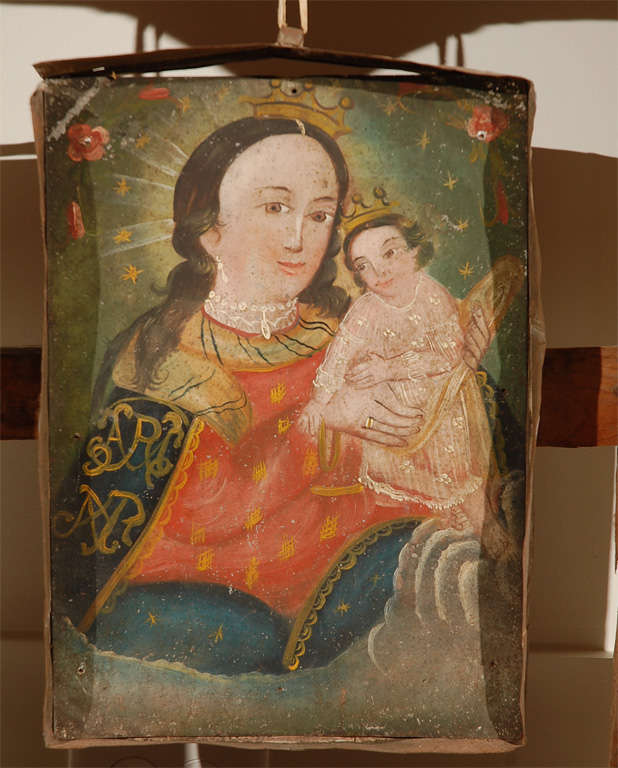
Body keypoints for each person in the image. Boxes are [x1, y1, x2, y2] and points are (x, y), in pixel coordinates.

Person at [52, 112, 497, 676]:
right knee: (252, 639)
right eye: (275, 208)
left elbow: (427, 437)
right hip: (214, 584)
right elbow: (202, 511)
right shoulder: (162, 358)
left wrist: (459, 368)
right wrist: (326, 424)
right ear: (210, 229)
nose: (298, 239)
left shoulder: (345, 329)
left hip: (364, 563)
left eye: (318, 215)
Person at [300, 209, 495, 536]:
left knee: (452, 469)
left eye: (389, 253)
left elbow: (450, 354)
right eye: (364, 266)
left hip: (439, 401)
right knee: (396, 454)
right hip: (390, 405)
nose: (379, 271)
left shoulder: (432, 295)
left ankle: (470, 518)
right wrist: (318, 402)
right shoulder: (365, 310)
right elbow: (339, 357)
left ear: (414, 251)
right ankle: (444, 511)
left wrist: (390, 368)